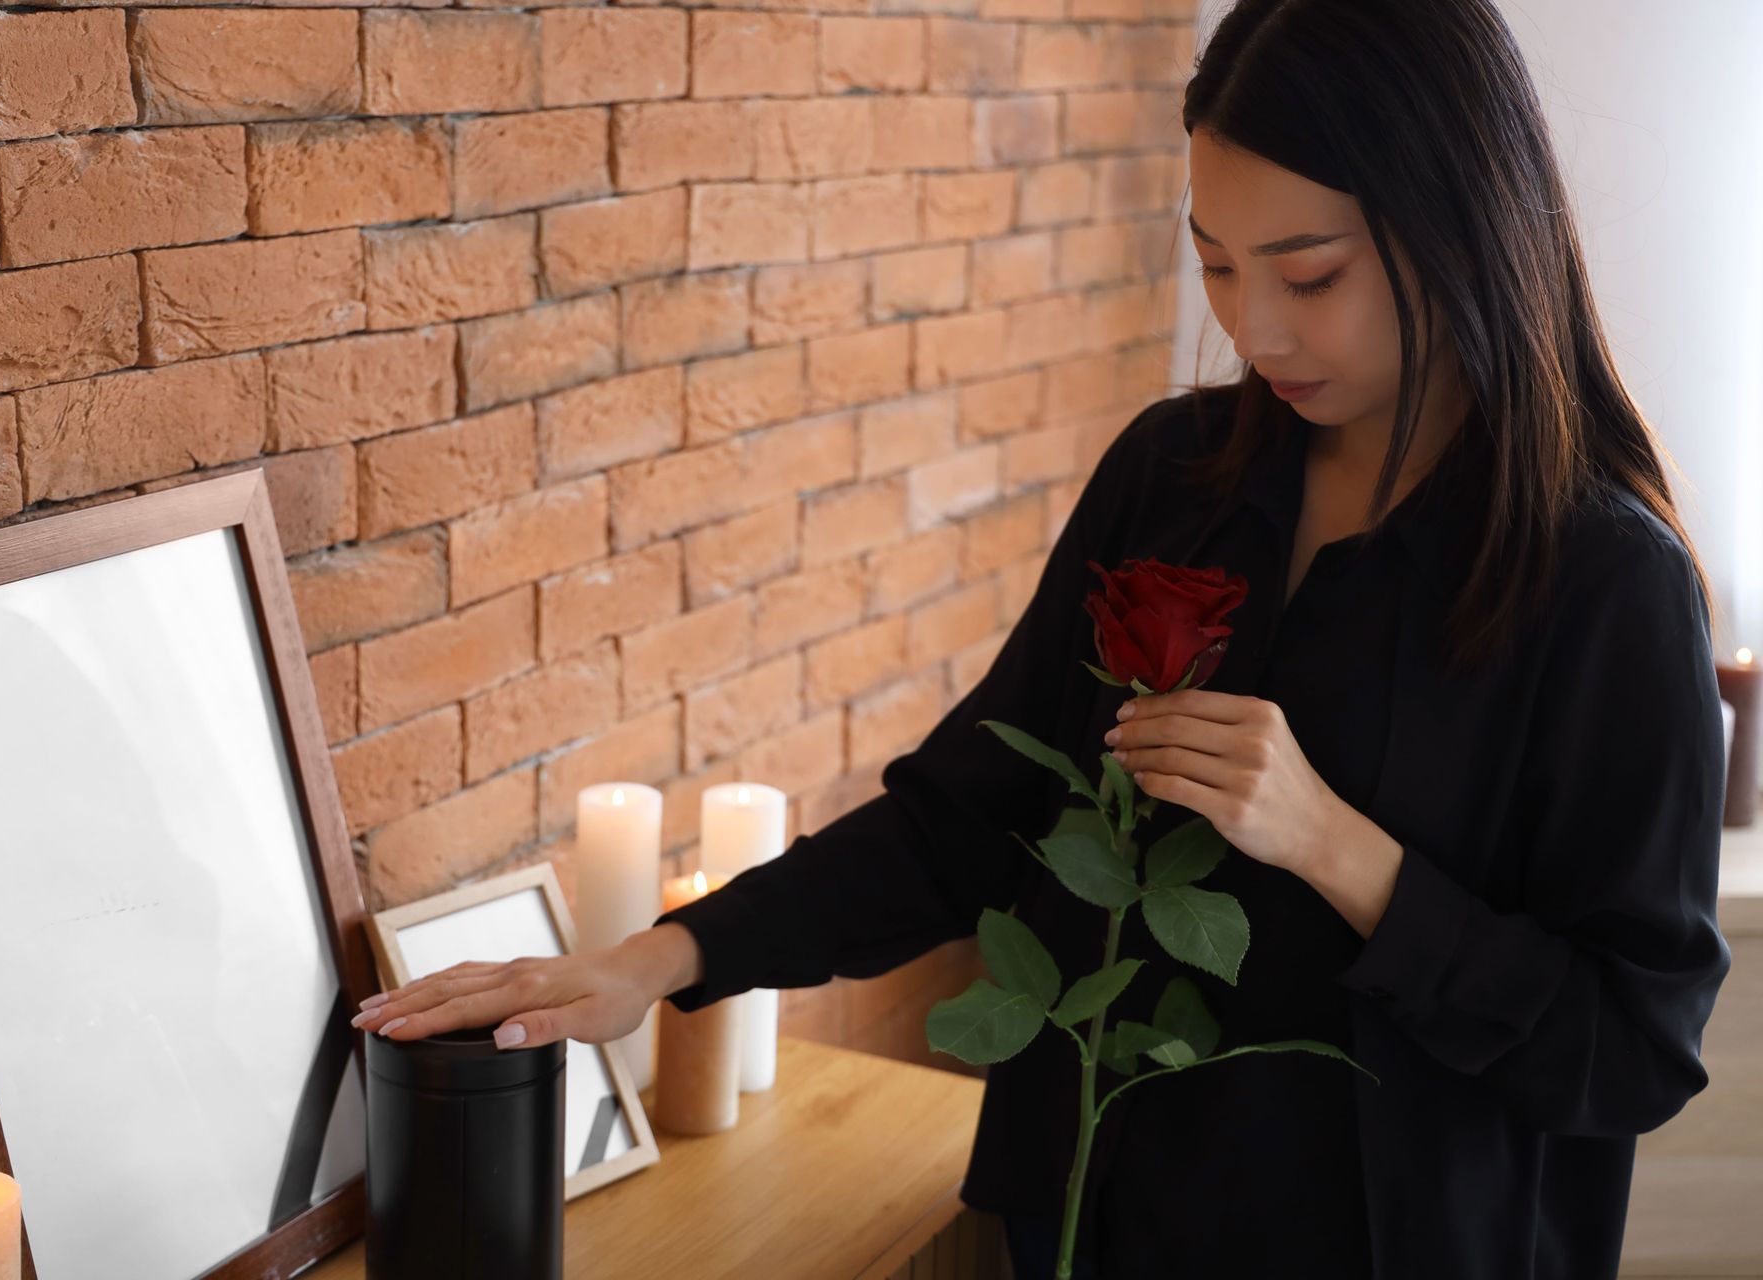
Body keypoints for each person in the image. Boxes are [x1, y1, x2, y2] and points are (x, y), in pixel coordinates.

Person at [349, 0, 1734, 1274]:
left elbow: (1630, 1050)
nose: (1254, 329)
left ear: (1461, 227)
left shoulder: (1605, 584)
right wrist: (654, 962)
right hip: (1084, 1225)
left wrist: (1335, 844)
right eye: (1216, 266)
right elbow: (972, 819)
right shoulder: (1173, 480)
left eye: (1308, 276)